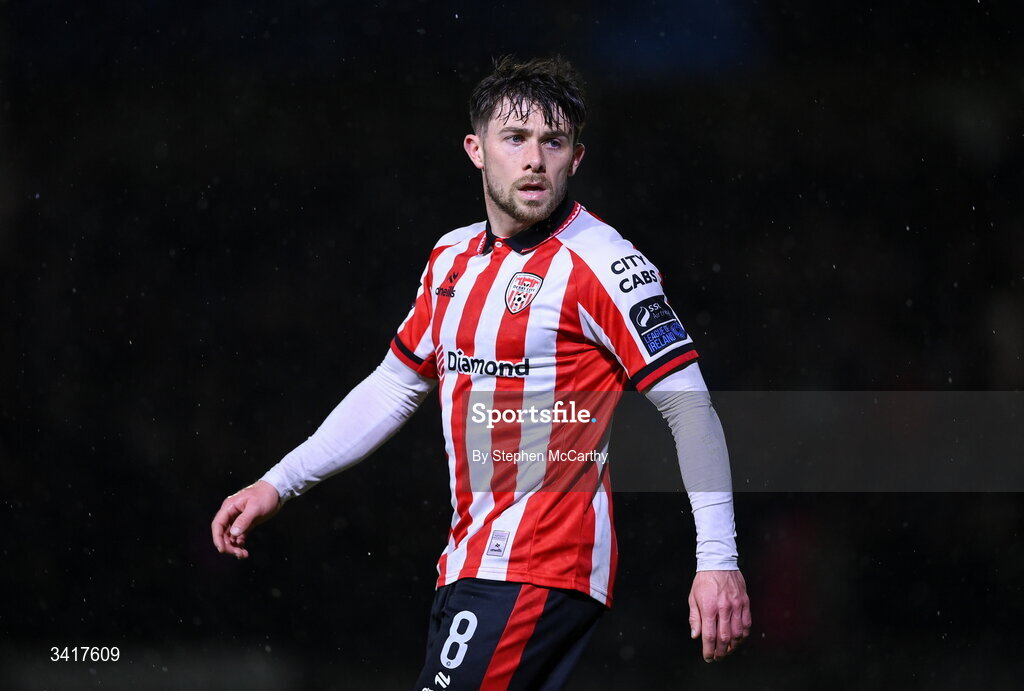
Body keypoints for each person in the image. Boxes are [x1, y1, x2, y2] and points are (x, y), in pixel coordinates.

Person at [212, 55, 751, 689]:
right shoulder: (451, 258)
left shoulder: (604, 265)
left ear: (576, 158)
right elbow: (394, 385)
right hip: (467, 561)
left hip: (541, 563)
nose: (535, 160)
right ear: (476, 150)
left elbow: (689, 407)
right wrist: (279, 482)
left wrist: (718, 560)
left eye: (553, 142)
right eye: (515, 138)